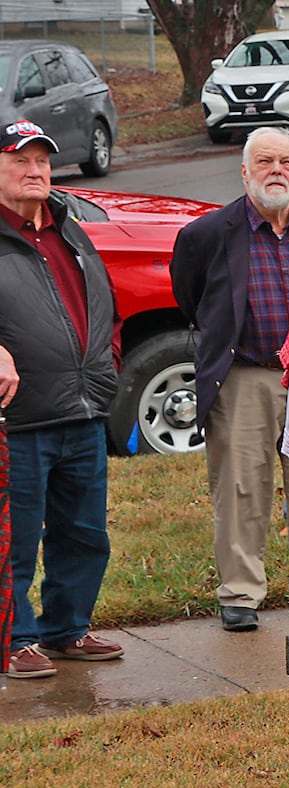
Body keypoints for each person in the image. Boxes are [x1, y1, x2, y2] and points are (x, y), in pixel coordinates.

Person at [171, 127, 289, 633]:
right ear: (245, 172)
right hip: (244, 378)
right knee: (240, 488)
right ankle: (240, 595)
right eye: (266, 162)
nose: (277, 171)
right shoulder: (207, 234)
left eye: (287, 162)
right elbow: (191, 299)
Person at [0, 119, 123, 678]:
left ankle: (66, 629)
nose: (35, 171)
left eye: (42, 161)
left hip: (82, 412)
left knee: (84, 534)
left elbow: (104, 309)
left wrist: (106, 367)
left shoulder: (68, 232)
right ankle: (13, 638)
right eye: (20, 160)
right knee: (14, 540)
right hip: (17, 421)